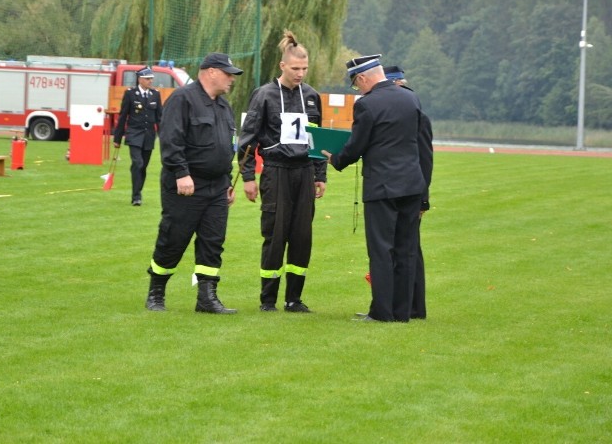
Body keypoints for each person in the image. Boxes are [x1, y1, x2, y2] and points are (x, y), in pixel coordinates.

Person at [322, 54, 429, 322]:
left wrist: (335, 158)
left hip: (382, 186)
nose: (358, 90)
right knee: (406, 249)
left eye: (356, 85)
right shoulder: (410, 98)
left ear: (361, 78)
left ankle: (382, 311)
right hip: (412, 185)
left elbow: (357, 146)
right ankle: (402, 312)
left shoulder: (367, 105)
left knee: (381, 249)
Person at [144, 52, 243, 314]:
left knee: (213, 242)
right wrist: (180, 173)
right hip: (186, 186)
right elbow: (171, 139)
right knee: (173, 238)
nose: (232, 79)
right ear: (211, 72)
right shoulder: (182, 99)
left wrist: (226, 182)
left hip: (217, 187)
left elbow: (226, 147)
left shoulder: (223, 106)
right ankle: (156, 292)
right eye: (227, 73)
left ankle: (207, 298)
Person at [237, 30, 326, 313]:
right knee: (275, 234)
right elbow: (248, 140)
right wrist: (249, 178)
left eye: (305, 69)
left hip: (304, 172)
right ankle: (268, 300)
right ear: (283, 66)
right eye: (296, 68)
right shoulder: (264, 95)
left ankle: (294, 299)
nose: (300, 74)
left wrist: (320, 175)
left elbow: (317, 140)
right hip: (276, 172)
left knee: (302, 237)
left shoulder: (312, 96)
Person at [384, 64, 433, 319]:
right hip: (406, 189)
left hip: (412, 191)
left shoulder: (415, 113)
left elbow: (425, 157)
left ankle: (413, 305)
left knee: (409, 247)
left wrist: (423, 198)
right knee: (405, 246)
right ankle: (406, 304)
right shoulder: (409, 107)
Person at [113, 67, 163, 206]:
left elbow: (159, 118)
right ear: (140, 79)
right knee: (138, 163)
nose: (150, 81)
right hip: (134, 134)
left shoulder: (155, 94)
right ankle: (136, 196)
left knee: (143, 167)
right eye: (147, 78)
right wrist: (117, 138)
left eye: (151, 78)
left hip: (148, 136)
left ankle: (138, 190)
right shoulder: (130, 94)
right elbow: (123, 116)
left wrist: (164, 137)